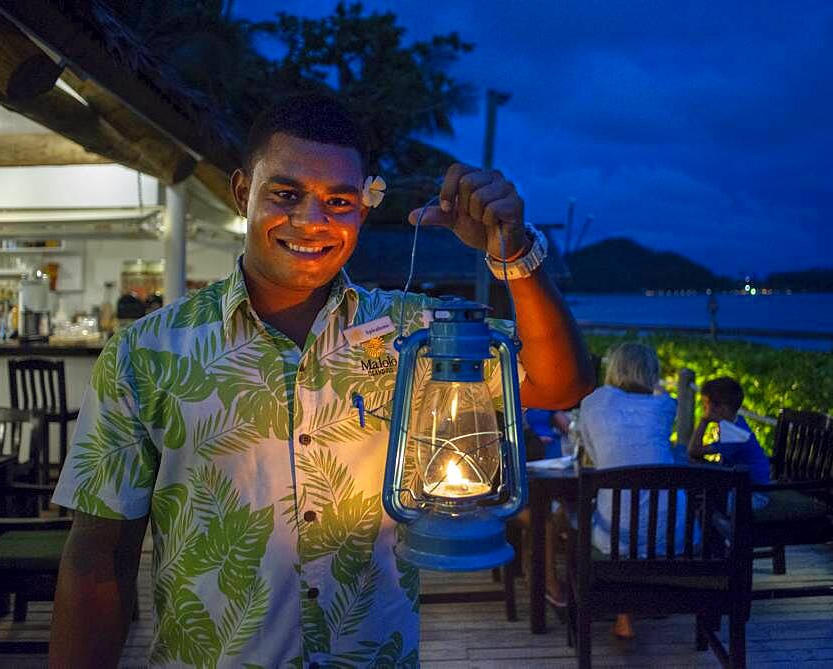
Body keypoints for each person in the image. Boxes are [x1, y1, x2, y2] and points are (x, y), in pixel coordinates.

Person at [47, 93, 594, 668]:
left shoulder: (414, 334)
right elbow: (98, 558)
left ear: (364, 207)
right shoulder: (147, 351)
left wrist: (514, 254)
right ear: (242, 194)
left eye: (339, 200)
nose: (312, 221)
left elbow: (561, 386)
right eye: (285, 194)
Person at [572, 341, 680, 639]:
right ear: (652, 373)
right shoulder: (666, 405)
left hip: (615, 536)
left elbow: (592, 458)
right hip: (671, 535)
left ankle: (622, 612)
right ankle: (649, 600)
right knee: (646, 516)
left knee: (609, 518)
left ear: (613, 369)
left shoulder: (593, 402)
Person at [687, 376, 770, 488]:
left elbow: (693, 450)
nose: (704, 410)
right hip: (741, 483)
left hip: (753, 493)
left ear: (722, 409)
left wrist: (704, 421)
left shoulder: (735, 435)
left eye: (706, 406)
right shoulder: (736, 422)